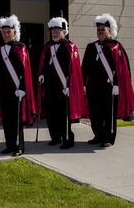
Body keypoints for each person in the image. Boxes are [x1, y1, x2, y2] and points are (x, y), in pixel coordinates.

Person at [82, 13, 134, 147]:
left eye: (102, 30)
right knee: (95, 113)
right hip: (93, 86)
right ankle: (98, 135)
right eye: (98, 30)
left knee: (108, 114)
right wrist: (83, 84)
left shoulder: (115, 46)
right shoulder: (91, 47)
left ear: (109, 31)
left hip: (109, 87)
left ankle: (109, 138)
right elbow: (85, 67)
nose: (100, 32)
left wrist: (117, 84)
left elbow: (122, 69)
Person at [38, 17, 86, 149]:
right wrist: (42, 74)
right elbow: (44, 64)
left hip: (63, 87)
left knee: (62, 115)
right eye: (53, 30)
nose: (54, 33)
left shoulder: (70, 47)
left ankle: (67, 139)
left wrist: (70, 85)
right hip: (50, 86)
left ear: (64, 32)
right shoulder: (48, 47)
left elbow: (74, 70)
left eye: (57, 31)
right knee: (51, 113)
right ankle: (55, 137)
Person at [0, 15, 36, 156]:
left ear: (14, 32)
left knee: (16, 121)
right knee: (7, 120)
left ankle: (19, 147)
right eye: (3, 32)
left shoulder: (20, 47)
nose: (5, 34)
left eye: (8, 32)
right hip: (4, 90)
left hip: (17, 90)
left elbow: (24, 70)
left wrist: (22, 88)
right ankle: (9, 145)